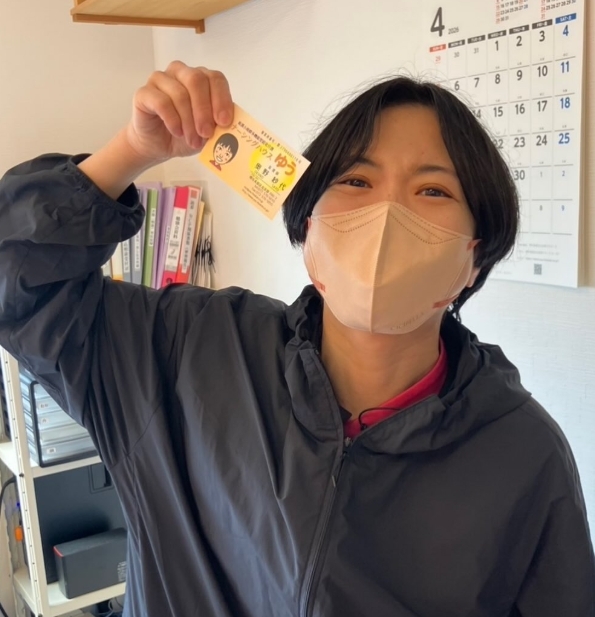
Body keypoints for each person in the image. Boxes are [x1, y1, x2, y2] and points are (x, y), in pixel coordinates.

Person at [0, 61, 593, 617]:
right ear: (308, 228)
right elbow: (16, 284)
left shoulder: (522, 453)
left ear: (475, 256)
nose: (387, 213)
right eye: (356, 179)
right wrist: (131, 150)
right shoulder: (183, 349)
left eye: (433, 191)